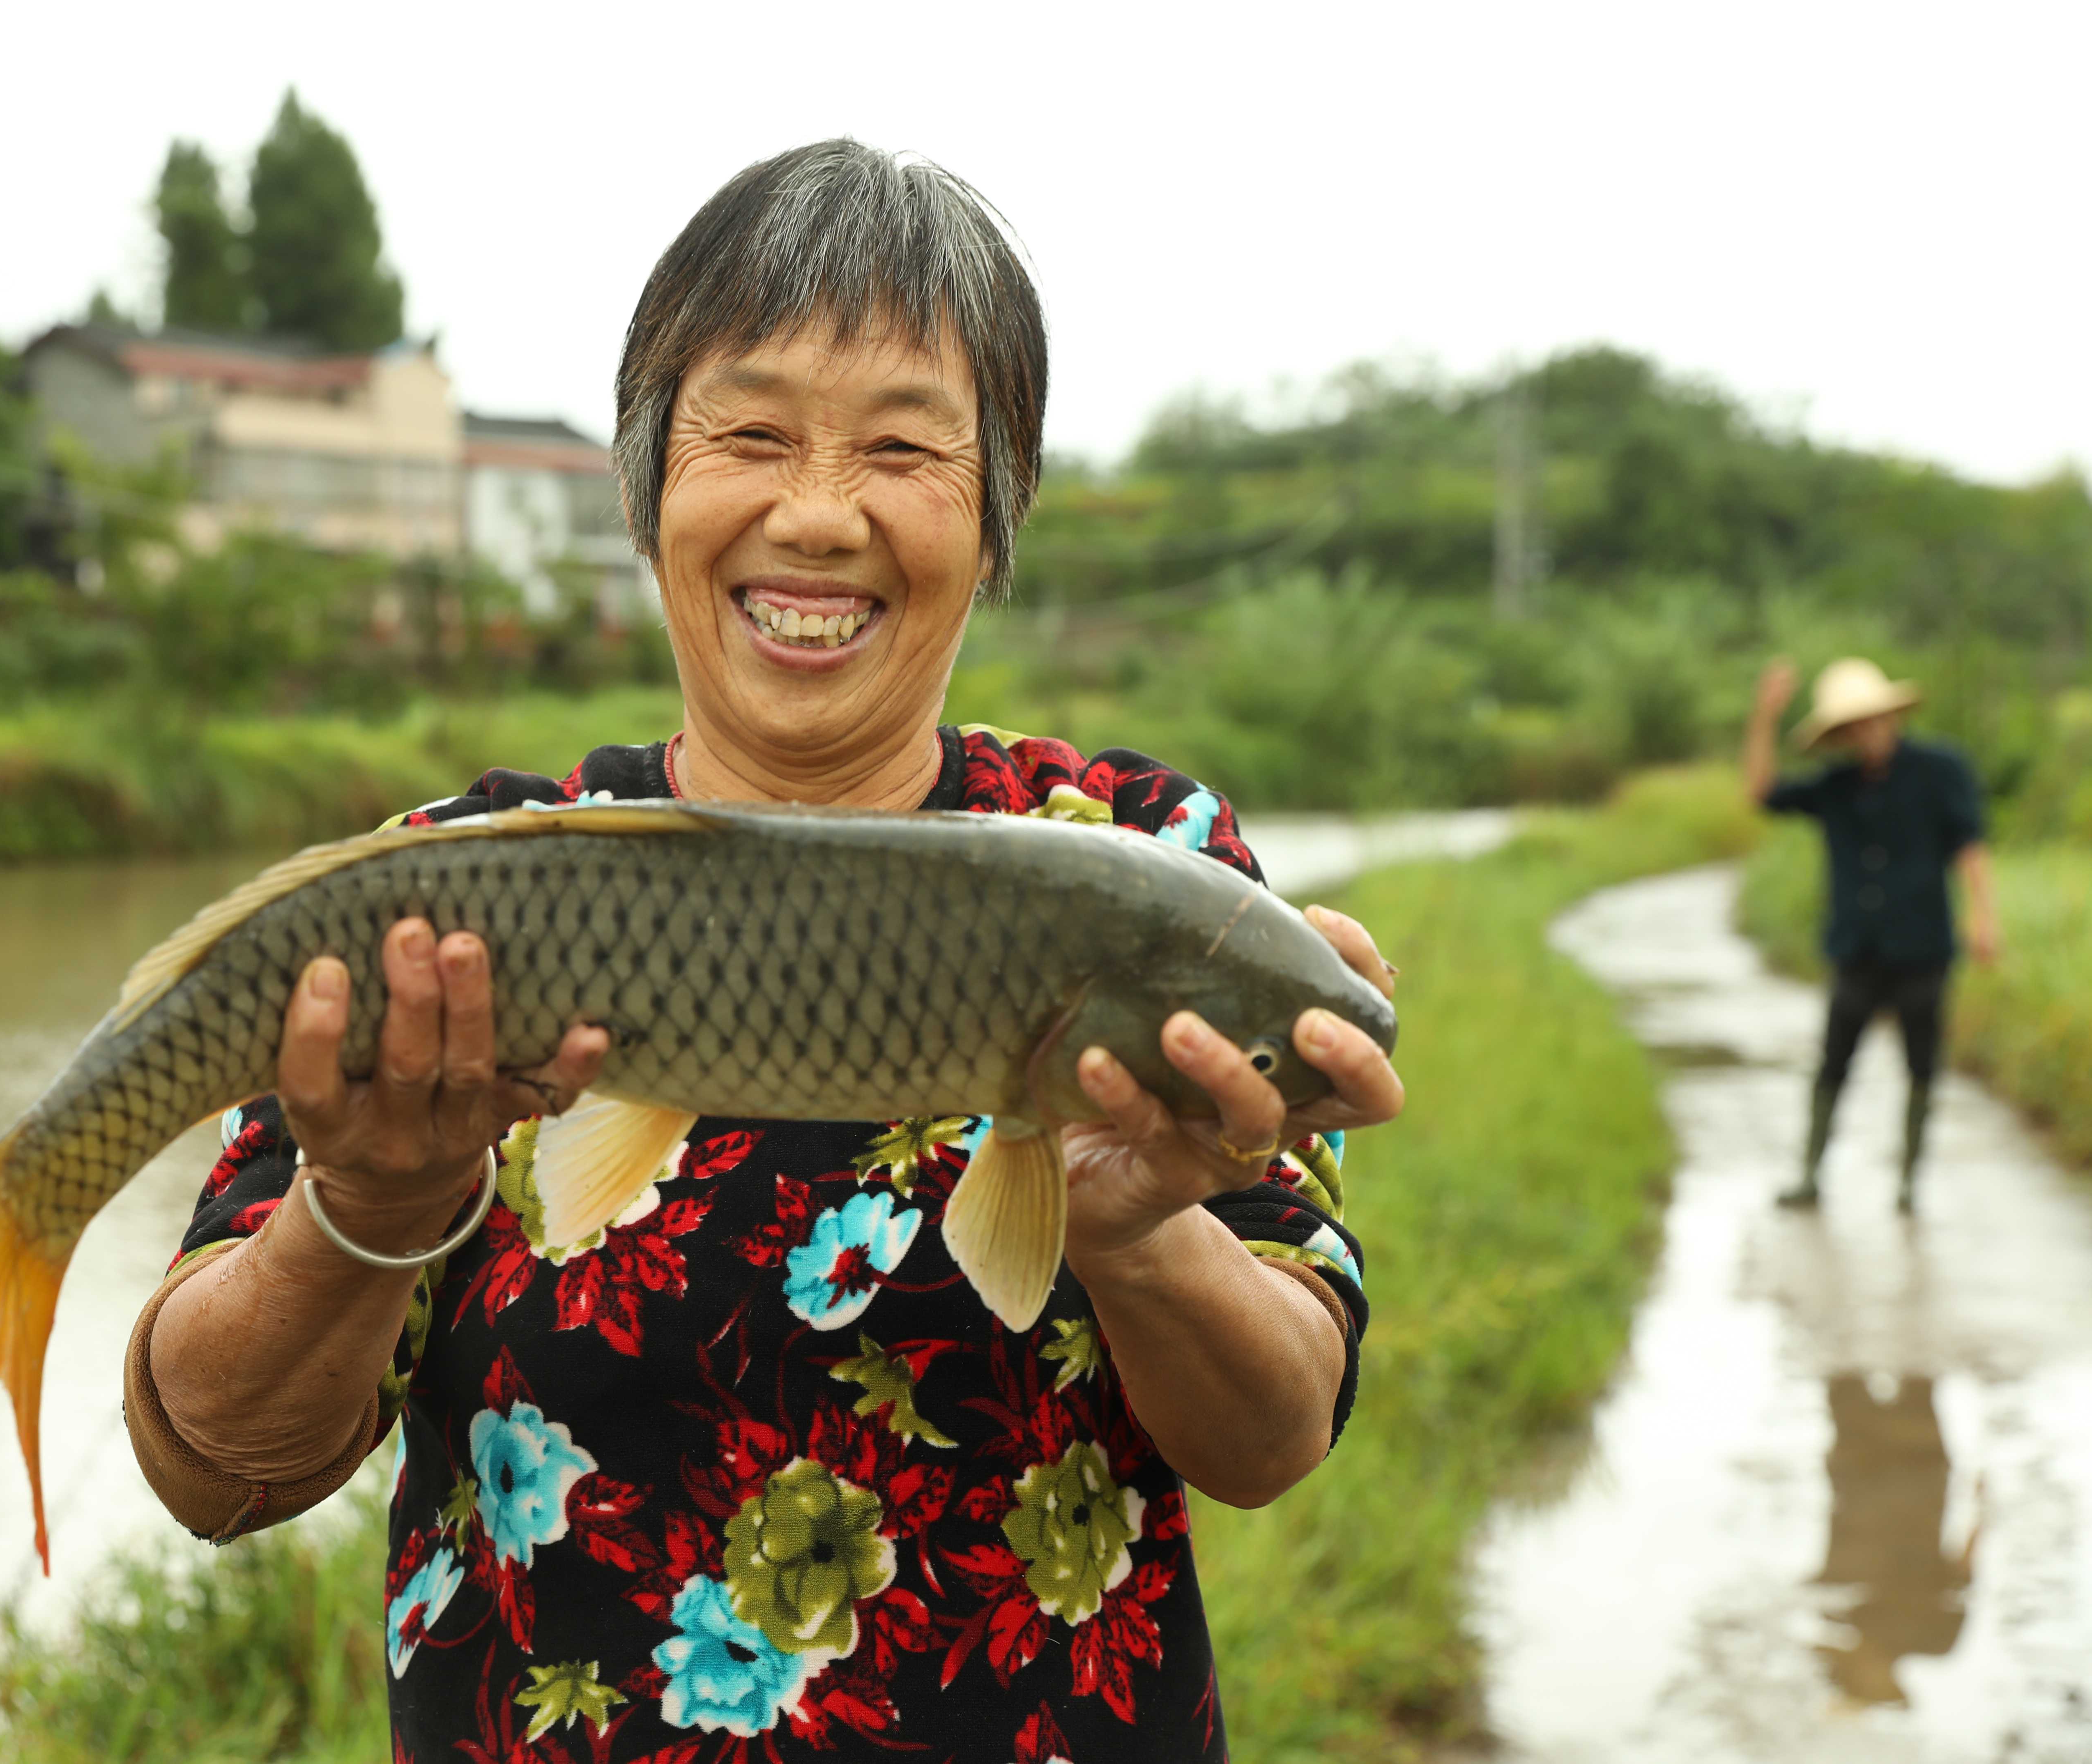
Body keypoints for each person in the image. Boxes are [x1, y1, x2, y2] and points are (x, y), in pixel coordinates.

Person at [122, 141, 1403, 1763]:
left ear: (995, 513)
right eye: (748, 433)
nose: (814, 513)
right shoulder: (464, 895)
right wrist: (363, 1208)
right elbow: (212, 1465)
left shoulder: (1142, 861)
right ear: (648, 482)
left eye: (899, 446)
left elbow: (1277, 1430)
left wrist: (1136, 1227)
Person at [1744, 657, 2000, 1213]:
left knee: (1922, 1062)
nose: (1866, 731)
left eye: (1871, 719)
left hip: (1923, 944)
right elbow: (1762, 793)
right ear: (1840, 733)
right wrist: (1764, 717)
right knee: (1834, 1060)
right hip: (1857, 947)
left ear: (1889, 716)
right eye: (1852, 725)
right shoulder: (1835, 786)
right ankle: (1811, 1174)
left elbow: (1969, 845)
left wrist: (1984, 917)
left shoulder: (1940, 770)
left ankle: (1909, 1183)